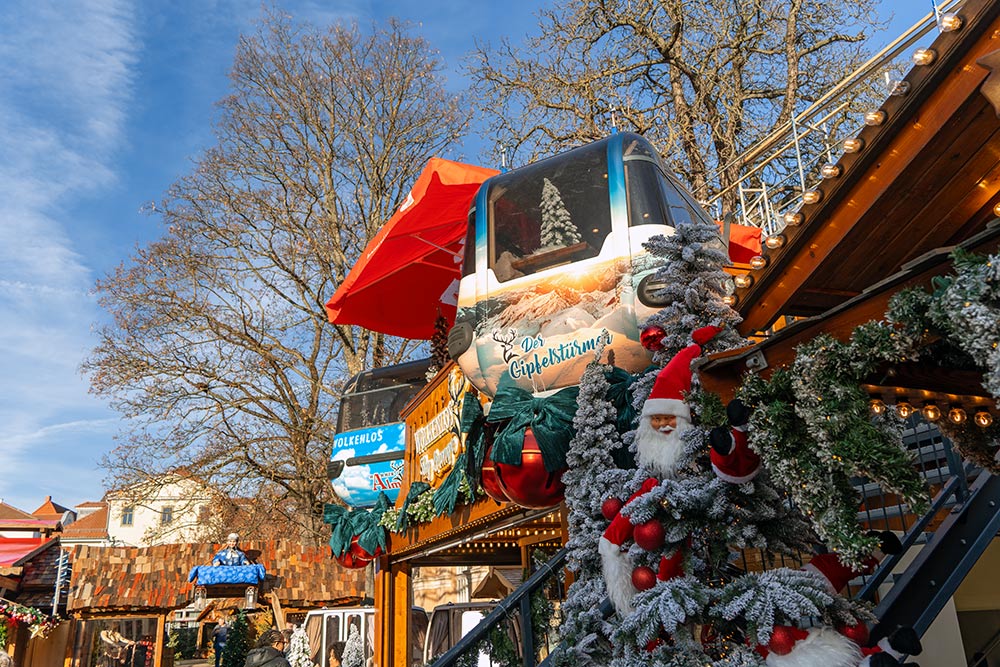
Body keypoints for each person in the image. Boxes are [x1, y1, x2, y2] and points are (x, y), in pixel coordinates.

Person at [599, 325, 723, 614]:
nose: (664, 425)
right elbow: (635, 507)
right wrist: (612, 539)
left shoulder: (696, 457)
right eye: (656, 420)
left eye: (670, 418)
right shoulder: (655, 477)